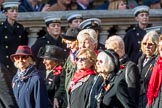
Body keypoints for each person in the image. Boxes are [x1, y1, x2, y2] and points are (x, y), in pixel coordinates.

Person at [105, 35, 140, 104]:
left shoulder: (130, 67)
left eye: (110, 50)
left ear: (120, 49)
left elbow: (132, 93)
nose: (108, 54)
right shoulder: (111, 66)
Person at [0, 2, 28, 78]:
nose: (15, 13)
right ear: (6, 13)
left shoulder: (20, 28)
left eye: (16, 11)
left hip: (17, 63)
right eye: (12, 11)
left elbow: (23, 46)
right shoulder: (1, 29)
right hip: (4, 64)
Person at [138, 31, 159, 108]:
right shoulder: (141, 59)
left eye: (150, 44)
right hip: (139, 98)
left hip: (150, 100)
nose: (147, 46)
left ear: (156, 46)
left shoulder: (158, 61)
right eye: (144, 43)